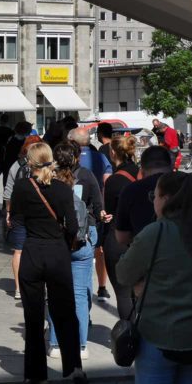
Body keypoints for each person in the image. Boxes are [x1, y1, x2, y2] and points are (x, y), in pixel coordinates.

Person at [117, 172, 192, 384]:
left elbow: (123, 274)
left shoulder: (156, 232)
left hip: (158, 334)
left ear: (166, 199)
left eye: (155, 196)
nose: (153, 201)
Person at [10, 143, 88, 384]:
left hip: (32, 252)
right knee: (65, 313)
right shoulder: (64, 189)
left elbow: (17, 222)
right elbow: (74, 227)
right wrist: (63, 242)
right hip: (57, 253)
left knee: (33, 317)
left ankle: (37, 375)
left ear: (29, 162)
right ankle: (74, 368)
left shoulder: (22, 187)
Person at [46, 141, 102, 361]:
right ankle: (80, 345)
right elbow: (98, 207)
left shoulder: (48, 179)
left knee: (56, 293)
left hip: (54, 242)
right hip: (82, 238)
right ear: (77, 157)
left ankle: (56, 343)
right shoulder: (87, 176)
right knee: (79, 293)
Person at [68, 127, 112, 302]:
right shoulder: (100, 157)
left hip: (72, 215)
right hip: (94, 213)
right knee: (98, 250)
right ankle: (102, 287)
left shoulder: (66, 159)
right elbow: (107, 181)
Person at [102, 135, 139, 320]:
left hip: (117, 239)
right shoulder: (141, 174)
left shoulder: (113, 181)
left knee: (123, 294)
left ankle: (129, 337)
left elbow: (108, 211)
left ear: (113, 152)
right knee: (139, 293)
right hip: (141, 237)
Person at [4, 135, 42, 299]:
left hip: (19, 213)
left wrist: (8, 213)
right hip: (39, 213)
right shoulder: (45, 166)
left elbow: (8, 193)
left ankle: (19, 288)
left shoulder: (16, 165)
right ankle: (38, 285)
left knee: (18, 252)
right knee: (40, 249)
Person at [115, 146, 173, 247]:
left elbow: (122, 237)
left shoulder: (131, 190)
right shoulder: (188, 185)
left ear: (142, 170)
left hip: (145, 254)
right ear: (171, 166)